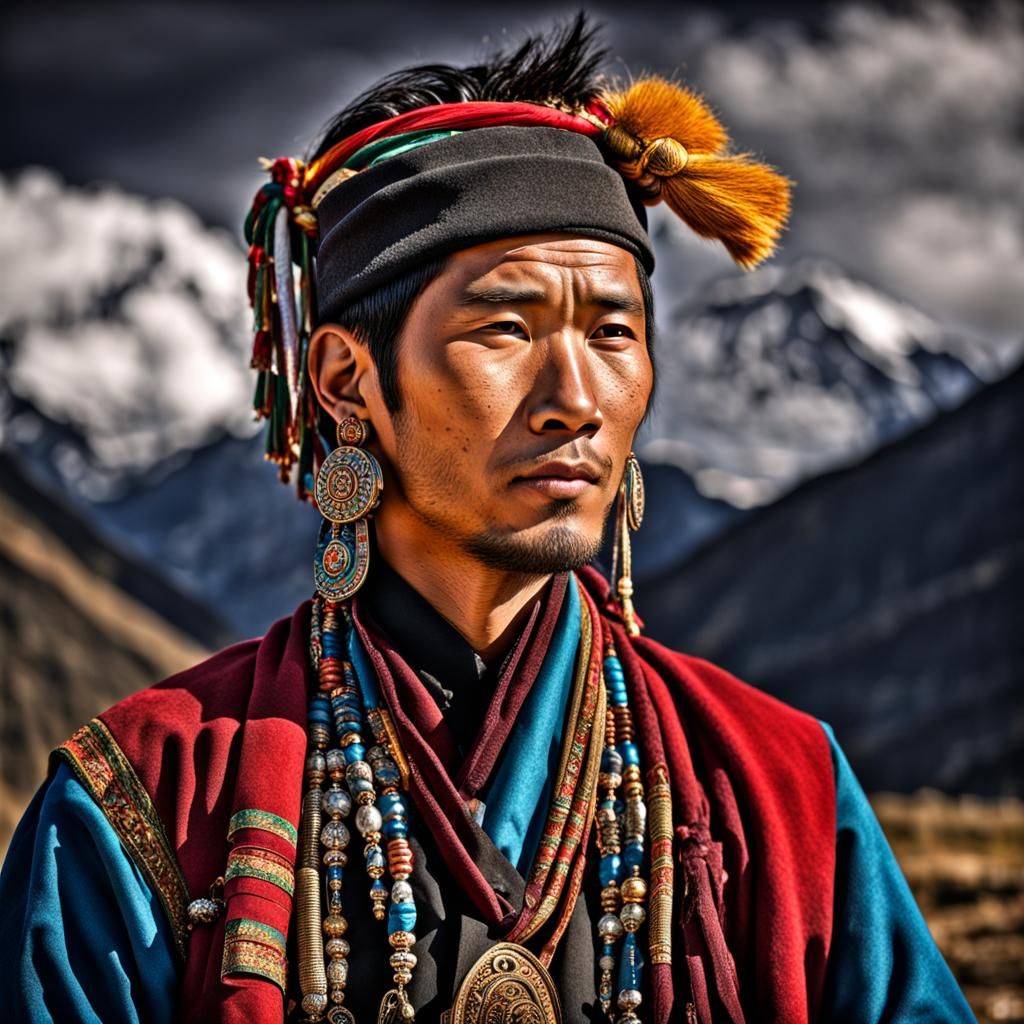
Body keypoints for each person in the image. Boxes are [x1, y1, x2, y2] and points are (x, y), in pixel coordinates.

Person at [0, 17, 974, 1024]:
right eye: (504, 327)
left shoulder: (784, 790)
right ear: (345, 380)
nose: (575, 399)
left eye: (612, 332)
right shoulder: (141, 802)